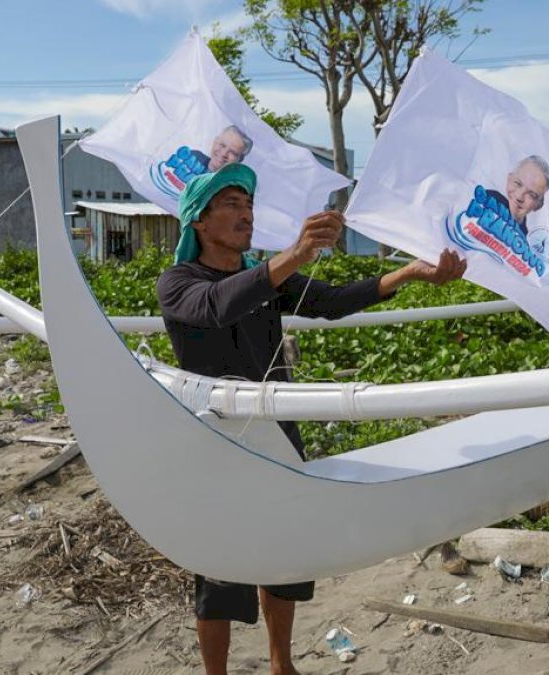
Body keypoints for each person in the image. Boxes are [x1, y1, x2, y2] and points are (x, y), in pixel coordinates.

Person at [156, 163, 466, 675]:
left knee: (286, 548)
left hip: (278, 426)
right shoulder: (180, 281)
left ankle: (283, 664)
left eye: (249, 205)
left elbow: (333, 302)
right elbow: (215, 307)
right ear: (199, 222)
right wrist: (293, 255)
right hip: (216, 438)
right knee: (219, 568)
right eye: (231, 204)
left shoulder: (265, 276)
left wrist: (408, 274)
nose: (246, 214)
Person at [486, 155, 549, 236]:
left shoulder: (523, 240)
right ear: (509, 179)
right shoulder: (486, 198)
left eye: (531, 195)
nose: (519, 196)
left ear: (539, 205)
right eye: (517, 183)